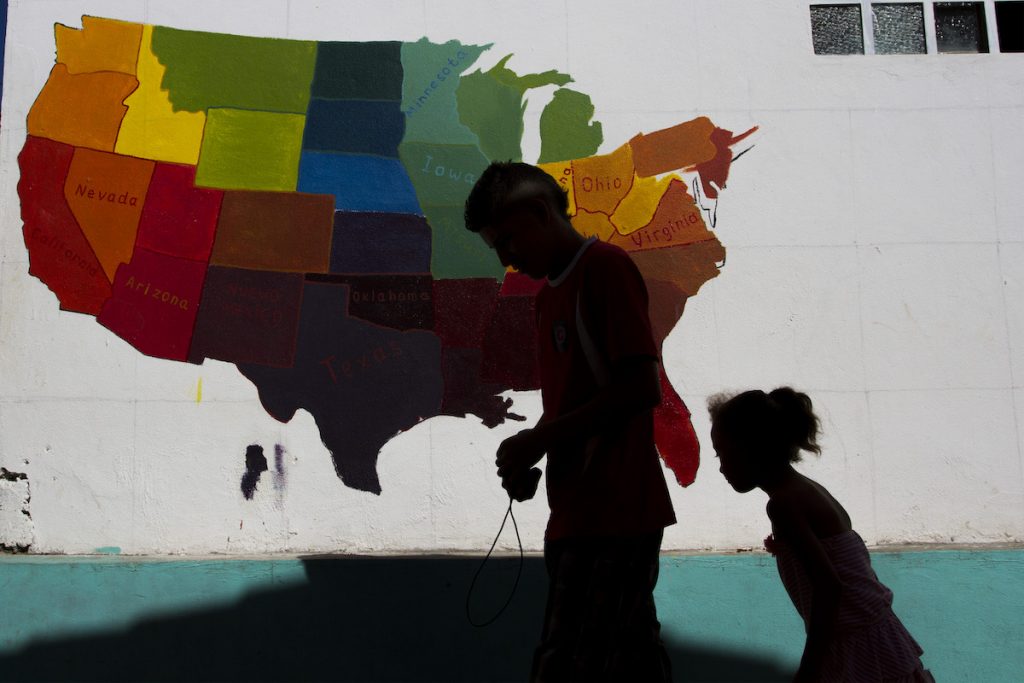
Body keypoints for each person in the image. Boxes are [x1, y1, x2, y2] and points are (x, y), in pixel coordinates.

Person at [465, 161, 677, 682]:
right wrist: (535, 450)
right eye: (496, 248)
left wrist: (540, 439)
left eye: (508, 240)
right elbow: (569, 406)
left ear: (541, 212)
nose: (506, 259)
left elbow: (639, 387)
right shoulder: (548, 298)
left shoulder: (604, 268)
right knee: (630, 660)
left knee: (568, 662)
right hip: (577, 511)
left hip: (617, 510)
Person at [708, 388, 934, 683]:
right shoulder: (807, 490)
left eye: (724, 452)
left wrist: (810, 667)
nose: (721, 467)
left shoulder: (784, 504)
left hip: (858, 647)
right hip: (878, 636)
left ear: (754, 447)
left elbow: (829, 587)